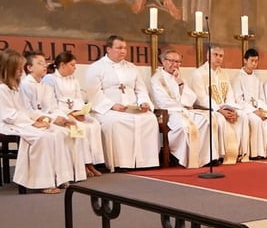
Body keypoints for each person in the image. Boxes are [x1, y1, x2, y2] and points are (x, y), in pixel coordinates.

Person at [0, 49, 73, 193]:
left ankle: (59, 177)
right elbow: (8, 115)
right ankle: (41, 182)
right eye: (18, 68)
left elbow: (26, 109)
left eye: (21, 68)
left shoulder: (17, 87)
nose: (21, 71)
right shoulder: (2, 89)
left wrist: (39, 118)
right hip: (8, 125)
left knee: (55, 133)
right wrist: (32, 123)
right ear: (9, 69)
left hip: (21, 122)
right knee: (42, 137)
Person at [83, 35, 160, 172]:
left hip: (132, 108)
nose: (123, 51)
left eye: (124, 48)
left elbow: (140, 89)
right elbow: (94, 93)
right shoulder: (96, 67)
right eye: (119, 48)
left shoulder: (132, 67)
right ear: (108, 49)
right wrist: (112, 105)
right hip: (108, 110)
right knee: (116, 122)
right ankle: (120, 162)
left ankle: (146, 161)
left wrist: (143, 102)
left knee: (150, 119)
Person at [19, 51, 87, 182]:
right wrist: (54, 119)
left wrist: (65, 119)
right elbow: (28, 111)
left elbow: (53, 108)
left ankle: (69, 174)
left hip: (48, 120)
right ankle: (49, 178)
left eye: (45, 63)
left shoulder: (45, 86)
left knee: (71, 130)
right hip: (33, 122)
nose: (45, 66)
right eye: (40, 63)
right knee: (56, 134)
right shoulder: (24, 85)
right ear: (29, 67)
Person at [150, 49, 219, 168]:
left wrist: (180, 82)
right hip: (169, 113)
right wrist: (182, 106)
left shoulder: (179, 77)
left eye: (178, 62)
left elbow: (191, 97)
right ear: (163, 61)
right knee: (184, 126)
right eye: (172, 61)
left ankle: (206, 158)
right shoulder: (157, 79)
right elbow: (163, 102)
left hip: (184, 111)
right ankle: (179, 157)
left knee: (207, 119)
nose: (175, 64)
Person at [42, 51, 104, 177]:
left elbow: (78, 98)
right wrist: (70, 113)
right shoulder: (50, 79)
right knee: (79, 127)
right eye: (72, 65)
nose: (75, 68)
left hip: (75, 111)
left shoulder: (73, 79)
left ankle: (93, 161)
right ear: (62, 65)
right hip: (60, 112)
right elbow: (50, 101)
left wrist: (80, 111)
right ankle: (83, 164)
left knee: (94, 124)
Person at [188, 46, 248, 164]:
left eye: (221, 56)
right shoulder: (198, 73)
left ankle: (239, 152)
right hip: (207, 109)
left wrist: (231, 109)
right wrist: (219, 109)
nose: (218, 58)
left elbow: (229, 94)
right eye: (215, 55)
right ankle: (220, 154)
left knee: (243, 116)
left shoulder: (224, 73)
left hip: (224, 107)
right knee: (219, 119)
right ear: (208, 56)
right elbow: (201, 98)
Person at [231, 48, 267, 159]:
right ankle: (256, 153)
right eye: (252, 61)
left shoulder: (257, 79)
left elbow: (261, 97)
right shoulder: (238, 78)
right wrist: (254, 111)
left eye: (256, 61)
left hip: (257, 109)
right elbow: (238, 100)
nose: (254, 64)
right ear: (245, 60)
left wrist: (261, 109)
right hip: (246, 110)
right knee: (256, 121)